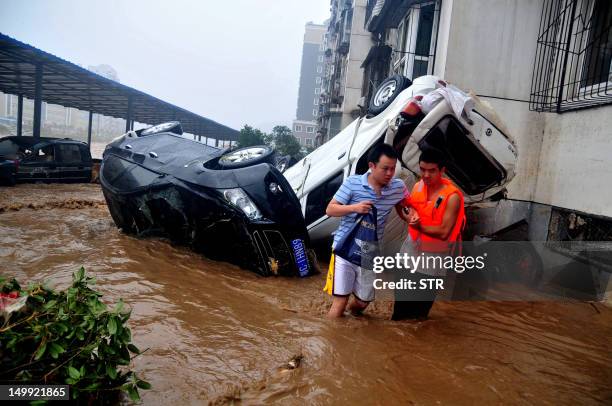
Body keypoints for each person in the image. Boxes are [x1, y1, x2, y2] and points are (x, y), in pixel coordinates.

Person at [324, 143, 409, 318]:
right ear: (372, 166)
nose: (389, 174)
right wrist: (354, 208)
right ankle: (331, 340)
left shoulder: (397, 187)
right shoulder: (352, 183)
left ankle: (352, 317)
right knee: (340, 301)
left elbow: (406, 203)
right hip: (344, 248)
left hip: (369, 251)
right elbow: (330, 209)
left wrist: (410, 216)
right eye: (385, 169)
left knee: (363, 302)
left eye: (393, 169)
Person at [392, 148, 466, 320]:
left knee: (418, 316)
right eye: (422, 169)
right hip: (409, 254)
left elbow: (444, 231)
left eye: (431, 170)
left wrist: (418, 226)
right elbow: (406, 211)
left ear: (442, 171)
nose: (426, 175)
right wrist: (398, 206)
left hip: (433, 261)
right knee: (399, 312)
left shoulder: (452, 197)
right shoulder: (418, 186)